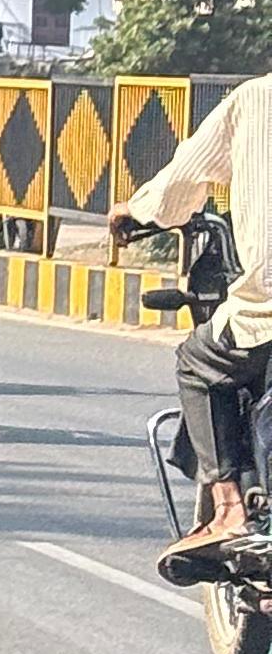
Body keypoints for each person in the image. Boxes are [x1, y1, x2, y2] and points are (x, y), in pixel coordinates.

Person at [105, 76, 272, 581]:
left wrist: (132, 211)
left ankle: (228, 511)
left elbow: (182, 183)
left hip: (265, 309)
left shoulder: (255, 99)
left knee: (197, 363)